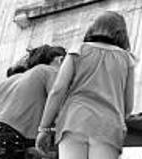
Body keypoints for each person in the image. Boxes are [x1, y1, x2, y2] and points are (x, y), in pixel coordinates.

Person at [35, 11, 135, 159]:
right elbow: (128, 106)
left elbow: (57, 91)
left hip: (74, 121)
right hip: (108, 126)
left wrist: (44, 128)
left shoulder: (78, 50)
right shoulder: (127, 60)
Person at [0, 45, 66, 159]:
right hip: (11, 136)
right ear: (60, 60)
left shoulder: (0, 86)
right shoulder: (50, 71)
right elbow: (58, 103)